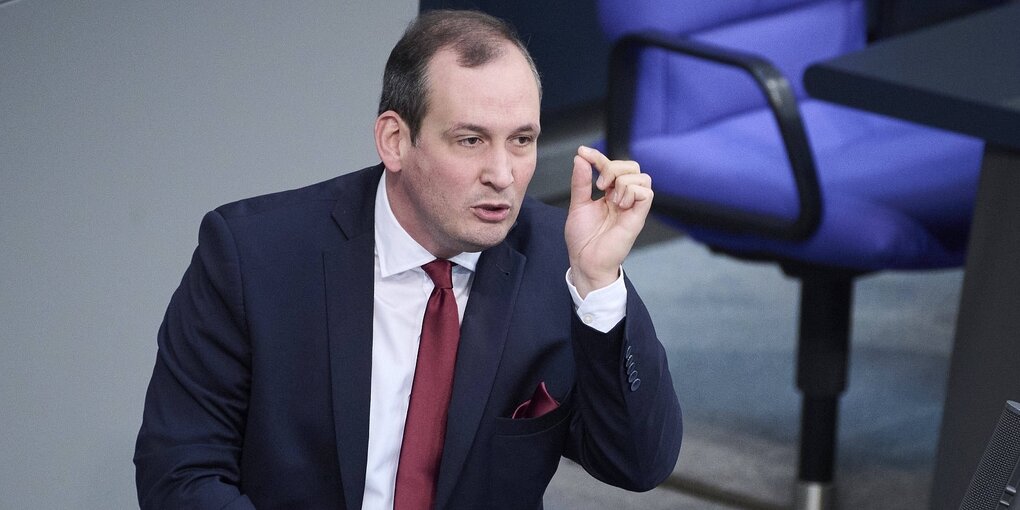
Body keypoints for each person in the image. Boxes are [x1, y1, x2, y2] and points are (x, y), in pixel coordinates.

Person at [134, 9, 681, 510]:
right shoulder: (254, 257)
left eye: (521, 140)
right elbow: (180, 474)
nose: (503, 173)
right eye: (470, 140)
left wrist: (598, 282)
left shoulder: (557, 265)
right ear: (395, 140)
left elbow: (636, 464)